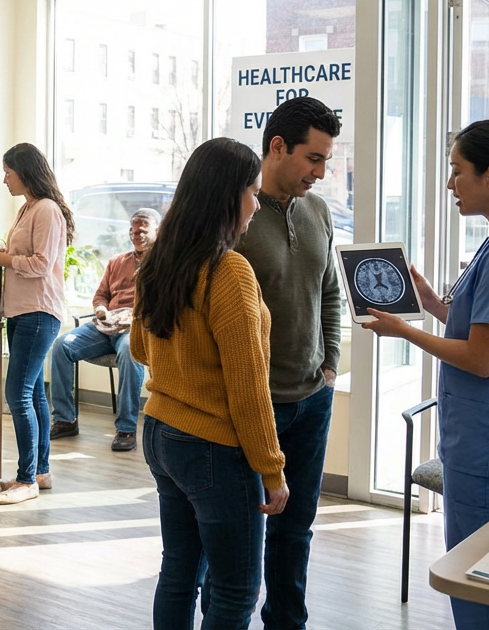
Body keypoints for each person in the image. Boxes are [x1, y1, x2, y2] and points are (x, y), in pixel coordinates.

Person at [364, 119, 489, 630]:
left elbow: (482, 358)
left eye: (457, 171)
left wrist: (402, 332)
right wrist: (430, 302)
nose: (451, 183)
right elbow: (486, 332)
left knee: (483, 589)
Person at [131, 137, 287, 630]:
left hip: (160, 433)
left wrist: (180, 358)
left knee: (179, 570)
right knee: (236, 590)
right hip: (214, 449)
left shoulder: (158, 260)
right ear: (228, 196)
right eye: (253, 193)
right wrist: (273, 469)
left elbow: (139, 349)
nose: (256, 205)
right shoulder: (228, 271)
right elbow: (248, 387)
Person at [234, 96, 342, 630]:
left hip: (311, 400)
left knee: (296, 530)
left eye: (326, 160)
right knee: (237, 536)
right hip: (254, 406)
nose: (321, 173)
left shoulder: (318, 211)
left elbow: (330, 294)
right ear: (276, 147)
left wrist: (331, 366)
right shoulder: (239, 215)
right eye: (314, 159)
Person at [0, 143, 72, 505]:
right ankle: (40, 472)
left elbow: (40, 264)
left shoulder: (46, 210)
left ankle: (26, 478)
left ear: (25, 172)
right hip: (20, 311)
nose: (4, 179)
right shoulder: (28, 208)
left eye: (8, 173)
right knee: (32, 394)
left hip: (37, 311)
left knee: (16, 393)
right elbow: (22, 254)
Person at [49, 208, 161, 451]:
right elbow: (101, 295)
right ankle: (65, 419)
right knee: (61, 346)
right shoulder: (117, 262)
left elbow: (166, 303)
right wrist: (101, 310)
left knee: (131, 353)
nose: (136, 234)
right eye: (132, 230)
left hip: (136, 329)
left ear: (157, 231)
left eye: (142, 230)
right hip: (105, 327)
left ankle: (126, 428)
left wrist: (136, 316)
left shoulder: (165, 264)